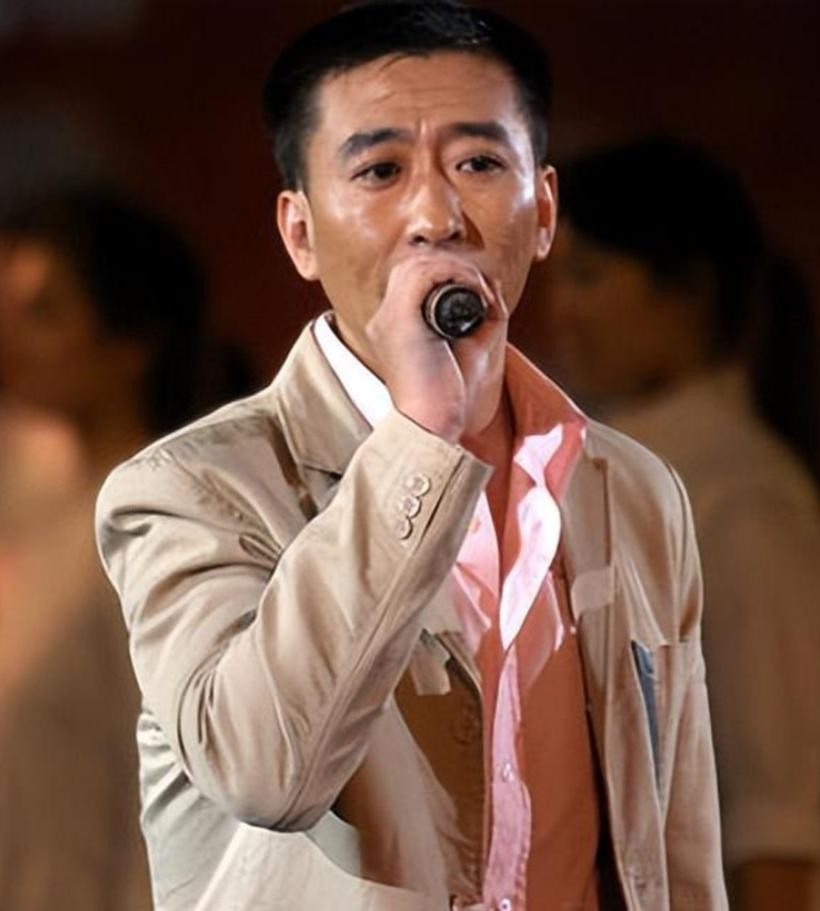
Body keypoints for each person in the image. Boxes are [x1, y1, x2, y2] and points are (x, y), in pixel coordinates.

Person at [96, 5, 727, 910]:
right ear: (300, 233)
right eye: (381, 171)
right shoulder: (191, 491)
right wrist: (422, 440)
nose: (436, 215)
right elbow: (266, 772)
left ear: (544, 211)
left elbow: (679, 848)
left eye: (478, 164)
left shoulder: (631, 490)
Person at [536, 135, 820, 910]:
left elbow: (780, 813)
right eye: (557, 278)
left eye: (589, 275)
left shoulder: (741, 495)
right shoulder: (593, 466)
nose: (561, 310)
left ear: (687, 289)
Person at [0, 187, 254, 910]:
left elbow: (183, 792)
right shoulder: (43, 511)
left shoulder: (164, 528)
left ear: (131, 341)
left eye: (44, 312)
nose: (11, 336)